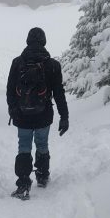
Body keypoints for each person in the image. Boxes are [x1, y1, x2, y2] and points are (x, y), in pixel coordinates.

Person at [6, 27, 68, 200]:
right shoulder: (53, 65)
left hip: (22, 116)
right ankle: (42, 175)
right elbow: (59, 93)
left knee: (24, 147)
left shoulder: (17, 62)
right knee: (42, 144)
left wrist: (12, 108)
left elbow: (10, 89)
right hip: (43, 115)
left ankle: (24, 182)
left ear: (27, 41)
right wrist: (64, 116)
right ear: (44, 41)